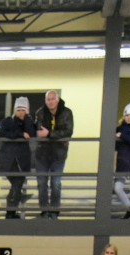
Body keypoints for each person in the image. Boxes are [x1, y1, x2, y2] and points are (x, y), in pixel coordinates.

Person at [33, 90, 74, 218]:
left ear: (58, 99)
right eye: (48, 99)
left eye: (52, 99)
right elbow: (38, 131)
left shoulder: (67, 112)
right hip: (42, 153)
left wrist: (49, 134)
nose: (50, 102)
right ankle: (44, 210)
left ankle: (55, 211)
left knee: (56, 183)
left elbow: (68, 132)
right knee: (41, 183)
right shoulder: (40, 112)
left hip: (59, 154)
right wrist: (54, 135)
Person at [0, 97, 34, 219]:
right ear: (14, 110)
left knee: (18, 184)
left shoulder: (28, 122)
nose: (21, 112)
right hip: (8, 160)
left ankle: (11, 212)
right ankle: (11, 210)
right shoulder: (7, 121)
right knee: (17, 183)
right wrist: (20, 134)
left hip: (22, 161)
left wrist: (26, 120)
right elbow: (2, 134)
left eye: (23, 110)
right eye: (18, 109)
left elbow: (31, 133)